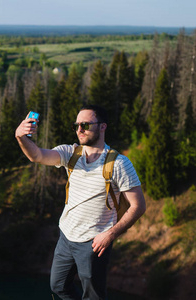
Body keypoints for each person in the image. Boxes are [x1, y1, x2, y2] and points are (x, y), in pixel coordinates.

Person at [15, 105, 146, 300]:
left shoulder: (119, 164)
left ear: (102, 127)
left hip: (94, 243)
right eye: (76, 125)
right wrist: (21, 137)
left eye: (85, 125)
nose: (79, 130)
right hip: (66, 236)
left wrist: (109, 235)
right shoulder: (70, 154)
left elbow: (138, 206)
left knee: (93, 296)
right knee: (58, 285)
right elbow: (37, 156)